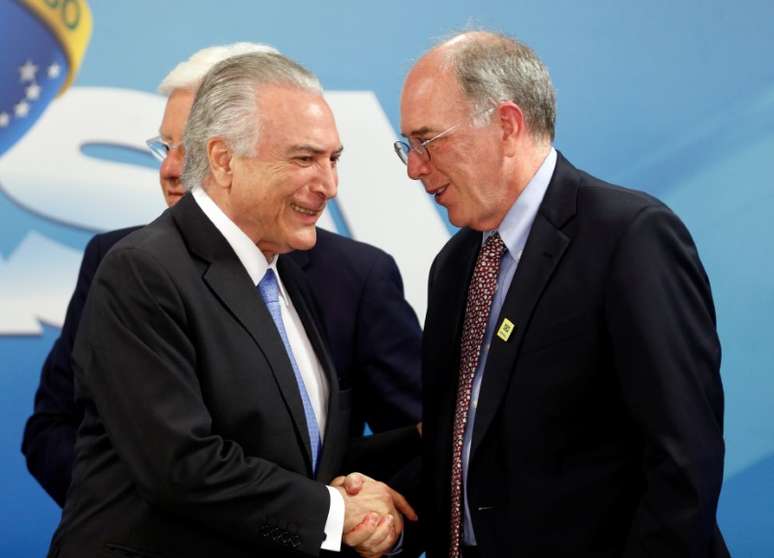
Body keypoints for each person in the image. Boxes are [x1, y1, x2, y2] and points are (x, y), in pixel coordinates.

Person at [46, 51, 414, 558]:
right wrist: (333, 514)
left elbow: (291, 454)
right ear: (223, 160)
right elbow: (182, 465)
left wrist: (367, 493)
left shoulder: (281, 268)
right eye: (304, 159)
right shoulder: (143, 270)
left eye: (334, 160)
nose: (329, 185)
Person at [397, 31, 728, 557]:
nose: (415, 167)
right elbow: (456, 446)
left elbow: (683, 458)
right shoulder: (455, 265)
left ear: (506, 125)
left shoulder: (629, 236)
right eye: (407, 147)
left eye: (428, 141)